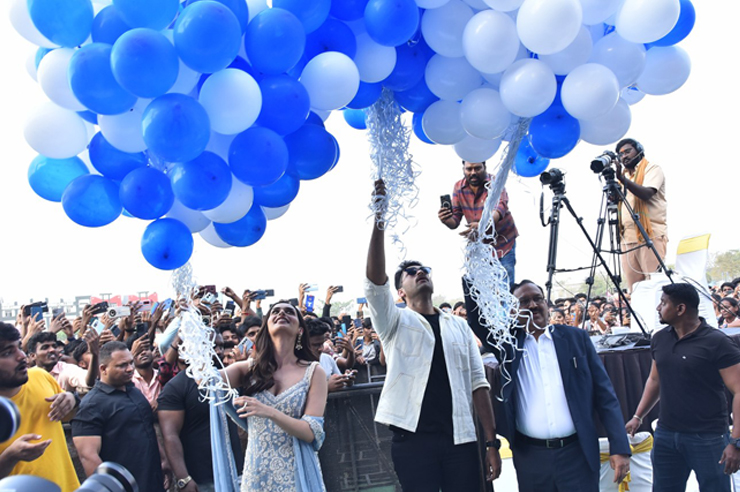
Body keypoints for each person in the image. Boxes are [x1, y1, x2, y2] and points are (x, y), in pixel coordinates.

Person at [366, 179, 500, 491]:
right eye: (410, 272)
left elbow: (478, 384)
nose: (419, 272)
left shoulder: (458, 325)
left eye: (423, 269)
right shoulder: (393, 321)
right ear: (400, 292)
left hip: (460, 439)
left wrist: (491, 442)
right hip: (412, 441)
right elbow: (374, 282)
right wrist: (379, 218)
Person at [466, 280, 630, 492]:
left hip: (577, 455)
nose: (533, 305)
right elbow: (477, 321)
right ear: (513, 310)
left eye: (537, 299)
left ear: (546, 303)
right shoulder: (508, 346)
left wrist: (620, 447)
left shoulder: (575, 339)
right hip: (532, 460)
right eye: (524, 301)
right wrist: (473, 272)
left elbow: (605, 396)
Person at [625, 283, 740, 491]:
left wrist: (736, 441)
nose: (658, 308)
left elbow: (739, 390)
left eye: (663, 303)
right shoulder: (660, 338)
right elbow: (655, 380)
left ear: (680, 309)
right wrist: (638, 416)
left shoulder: (717, 342)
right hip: (666, 434)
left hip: (708, 437)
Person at [221, 301, 328, 492]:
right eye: (275, 311)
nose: (281, 313)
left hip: (295, 474)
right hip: (256, 473)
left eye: (289, 312)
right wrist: (190, 326)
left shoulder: (314, 372)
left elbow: (311, 432)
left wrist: (269, 412)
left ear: (300, 330)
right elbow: (207, 381)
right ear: (267, 328)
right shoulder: (249, 368)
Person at [72, 341, 168, 492]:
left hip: (152, 480)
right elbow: (88, 456)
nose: (130, 369)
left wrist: (163, 460)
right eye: (122, 365)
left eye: (131, 363)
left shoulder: (134, 392)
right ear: (103, 369)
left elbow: (148, 428)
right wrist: (109, 487)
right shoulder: (92, 405)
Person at [158, 333, 244, 492]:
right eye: (212, 346)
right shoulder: (176, 387)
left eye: (221, 346)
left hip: (237, 474)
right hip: (202, 479)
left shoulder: (229, 379)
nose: (218, 351)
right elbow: (170, 436)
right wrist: (184, 478)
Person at [0, 322, 79, 490]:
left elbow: (70, 414)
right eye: (7, 352)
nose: (21, 356)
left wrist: (72, 398)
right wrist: (10, 456)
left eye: (19, 347)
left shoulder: (40, 376)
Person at [438, 160, 518, 286]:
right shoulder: (458, 187)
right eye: (469, 169)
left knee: (505, 286)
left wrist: (482, 225)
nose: (473, 172)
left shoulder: (495, 182)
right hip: (480, 247)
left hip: (503, 242)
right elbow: (455, 220)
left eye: (477, 168)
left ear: (484, 167)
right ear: (463, 169)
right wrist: (446, 220)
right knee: (480, 288)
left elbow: (499, 208)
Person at [615, 138, 667, 290]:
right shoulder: (623, 176)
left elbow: (646, 193)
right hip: (627, 239)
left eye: (627, 151)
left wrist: (622, 180)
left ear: (639, 150)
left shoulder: (652, 169)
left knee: (654, 286)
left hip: (649, 235)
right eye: (620, 155)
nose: (624, 156)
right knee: (636, 290)